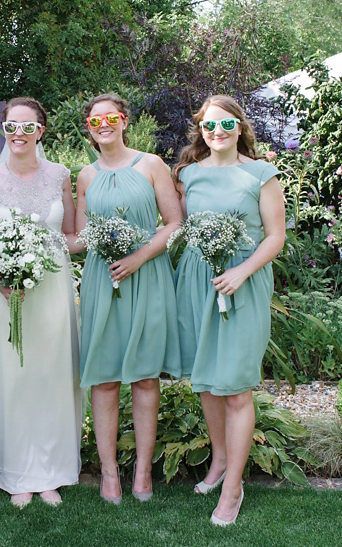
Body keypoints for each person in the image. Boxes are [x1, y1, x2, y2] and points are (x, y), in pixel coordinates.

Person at [0, 97, 83, 507]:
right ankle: (17, 470)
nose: (19, 134)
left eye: (28, 127)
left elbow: (73, 235)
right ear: (3, 130)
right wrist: (4, 282)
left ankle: (51, 471)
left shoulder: (61, 175)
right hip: (5, 292)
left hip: (53, 289)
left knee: (50, 376)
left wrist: (101, 241)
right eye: (11, 127)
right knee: (14, 377)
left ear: (41, 131)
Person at [172, 94, 284, 526]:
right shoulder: (188, 176)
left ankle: (234, 488)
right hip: (198, 282)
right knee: (206, 382)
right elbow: (177, 227)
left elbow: (275, 237)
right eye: (208, 126)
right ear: (200, 131)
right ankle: (218, 462)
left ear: (240, 127)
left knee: (236, 388)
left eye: (224, 125)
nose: (216, 133)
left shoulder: (261, 174)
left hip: (244, 282)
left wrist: (241, 272)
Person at [74, 93, 185, 504]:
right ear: (88, 126)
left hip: (147, 275)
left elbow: (174, 223)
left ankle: (142, 472)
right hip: (103, 280)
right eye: (94, 120)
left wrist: (138, 257)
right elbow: (81, 237)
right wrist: (29, 241)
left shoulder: (151, 165)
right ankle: (108, 474)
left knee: (143, 377)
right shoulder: (85, 176)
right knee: (103, 379)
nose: (103, 125)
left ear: (124, 121)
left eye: (111, 117)